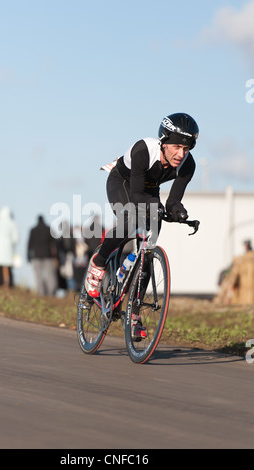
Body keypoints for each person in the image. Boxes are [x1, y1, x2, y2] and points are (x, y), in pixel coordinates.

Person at [85, 112, 199, 339]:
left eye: (186, 149)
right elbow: (136, 194)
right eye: (176, 147)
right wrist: (156, 205)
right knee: (130, 221)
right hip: (123, 183)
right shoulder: (143, 149)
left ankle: (134, 314)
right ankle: (98, 263)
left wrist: (179, 211)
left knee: (148, 247)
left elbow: (173, 200)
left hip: (149, 190)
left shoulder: (188, 165)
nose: (181, 153)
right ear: (164, 141)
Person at [27, 215, 58, 296]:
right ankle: (51, 292)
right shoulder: (48, 229)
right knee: (50, 275)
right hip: (48, 255)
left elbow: (29, 244)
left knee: (38, 275)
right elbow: (54, 243)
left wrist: (28, 256)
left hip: (36, 256)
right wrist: (56, 256)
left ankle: (41, 292)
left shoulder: (33, 230)